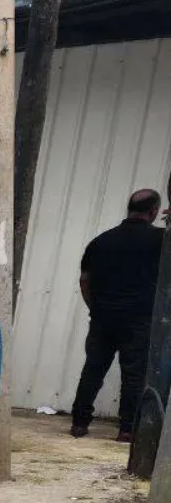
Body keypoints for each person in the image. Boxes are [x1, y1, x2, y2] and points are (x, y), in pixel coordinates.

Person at [71, 188, 164, 441]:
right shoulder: (161, 240)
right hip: (139, 320)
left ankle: (79, 423)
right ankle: (126, 429)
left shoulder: (101, 241)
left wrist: (96, 308)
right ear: (154, 210)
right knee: (133, 375)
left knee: (93, 369)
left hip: (103, 318)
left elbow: (84, 280)